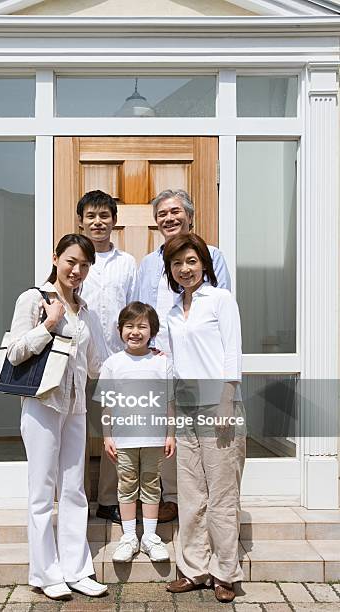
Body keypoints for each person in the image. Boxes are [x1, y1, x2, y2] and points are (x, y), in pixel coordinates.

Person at [7, 234, 108, 600]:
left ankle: (76, 569)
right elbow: (15, 353)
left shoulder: (86, 310)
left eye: (84, 265)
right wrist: (48, 325)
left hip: (76, 408)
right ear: (55, 258)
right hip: (42, 405)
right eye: (71, 261)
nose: (77, 270)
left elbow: (96, 365)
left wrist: (143, 352)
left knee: (74, 490)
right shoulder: (33, 299)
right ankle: (45, 573)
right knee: (41, 492)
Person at [138, 189, 231, 523]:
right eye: (162, 214)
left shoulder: (213, 256)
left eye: (175, 211)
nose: (169, 218)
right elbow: (140, 310)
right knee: (167, 435)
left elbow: (222, 314)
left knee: (205, 443)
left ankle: (207, 505)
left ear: (190, 216)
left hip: (199, 366)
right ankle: (171, 499)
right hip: (160, 362)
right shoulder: (148, 264)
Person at [162, 233, 246, 603]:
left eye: (191, 261)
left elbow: (232, 351)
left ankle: (225, 572)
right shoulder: (170, 311)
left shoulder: (221, 300)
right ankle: (194, 569)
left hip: (219, 406)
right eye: (177, 263)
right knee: (192, 493)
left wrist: (228, 400)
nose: (185, 269)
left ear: (204, 264)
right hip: (186, 408)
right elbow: (173, 364)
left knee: (223, 493)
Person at [96, 302, 175, 562]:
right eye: (129, 326)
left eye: (142, 326)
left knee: (152, 485)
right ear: (120, 330)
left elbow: (169, 402)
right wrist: (107, 436)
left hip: (154, 438)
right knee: (127, 485)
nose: (135, 331)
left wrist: (170, 433)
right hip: (123, 439)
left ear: (152, 330)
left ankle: (150, 537)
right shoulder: (112, 364)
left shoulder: (161, 363)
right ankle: (129, 536)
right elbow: (107, 405)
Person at [78, 190, 138, 525]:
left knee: (115, 433)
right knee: (78, 433)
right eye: (91, 216)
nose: (98, 222)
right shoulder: (75, 258)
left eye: (104, 216)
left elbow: (134, 309)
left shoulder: (128, 263)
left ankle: (107, 500)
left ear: (114, 221)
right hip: (78, 362)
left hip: (116, 361)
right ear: (82, 221)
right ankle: (77, 498)